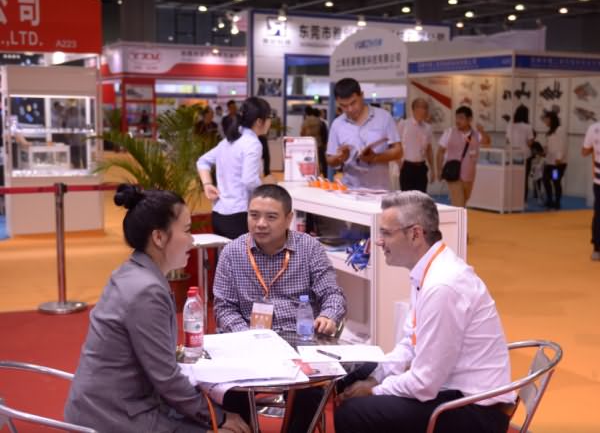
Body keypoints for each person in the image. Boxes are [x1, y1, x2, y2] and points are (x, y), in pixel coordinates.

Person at [64, 184, 250, 433]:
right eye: (187, 230)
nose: (192, 239)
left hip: (109, 404)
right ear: (159, 238)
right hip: (115, 417)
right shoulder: (147, 291)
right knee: (234, 426)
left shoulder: (131, 271)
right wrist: (218, 418)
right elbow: (166, 379)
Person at [334, 190, 514, 433]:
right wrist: (375, 376)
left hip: (475, 410)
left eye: (386, 233)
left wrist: (375, 390)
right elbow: (411, 342)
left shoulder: (442, 285)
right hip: (457, 394)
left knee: (353, 413)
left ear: (415, 234)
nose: (378, 241)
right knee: (357, 375)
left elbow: (423, 384)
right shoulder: (430, 271)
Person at [213, 184, 346, 433]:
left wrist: (328, 315)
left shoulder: (309, 249)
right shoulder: (232, 253)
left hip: (300, 343)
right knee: (230, 387)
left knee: (309, 392)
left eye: (271, 217)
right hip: (248, 345)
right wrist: (248, 336)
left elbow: (332, 294)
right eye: (254, 215)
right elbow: (224, 307)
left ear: (289, 218)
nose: (260, 224)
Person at [197, 97, 270, 240]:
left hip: (219, 213)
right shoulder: (252, 143)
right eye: (269, 117)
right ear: (259, 121)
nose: (270, 122)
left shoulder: (229, 140)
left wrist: (207, 184)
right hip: (239, 216)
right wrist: (267, 187)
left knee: (225, 255)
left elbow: (202, 161)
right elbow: (249, 180)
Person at [326, 78, 401, 190]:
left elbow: (398, 151)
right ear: (337, 102)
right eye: (344, 106)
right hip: (350, 190)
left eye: (353, 103)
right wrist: (340, 157)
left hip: (379, 190)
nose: (350, 109)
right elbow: (330, 160)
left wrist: (375, 157)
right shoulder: (337, 124)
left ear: (362, 95)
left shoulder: (384, 117)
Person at [436, 106, 491, 207]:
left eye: (461, 118)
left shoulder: (476, 134)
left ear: (469, 119)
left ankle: (457, 216)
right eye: (457, 117)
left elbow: (487, 142)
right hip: (453, 173)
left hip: (469, 174)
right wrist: (439, 170)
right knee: (459, 203)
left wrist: (482, 131)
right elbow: (440, 152)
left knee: (464, 200)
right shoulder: (449, 132)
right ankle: (458, 217)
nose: (458, 121)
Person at [397, 98, 434, 193]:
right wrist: (399, 163)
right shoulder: (404, 124)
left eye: (426, 108)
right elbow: (396, 145)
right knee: (407, 197)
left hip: (421, 167)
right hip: (407, 166)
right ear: (414, 109)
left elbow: (429, 149)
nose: (425, 111)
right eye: (422, 107)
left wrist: (433, 169)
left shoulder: (428, 128)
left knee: (421, 197)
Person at [506, 105, 534, 200]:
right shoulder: (528, 127)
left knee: (513, 177)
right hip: (525, 155)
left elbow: (507, 140)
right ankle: (523, 199)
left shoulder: (510, 125)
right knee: (524, 178)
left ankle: (512, 197)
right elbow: (529, 143)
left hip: (512, 155)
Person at [582, 121, 600, 261]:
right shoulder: (594, 128)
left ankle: (597, 249)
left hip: (598, 180)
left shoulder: (593, 128)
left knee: (599, 213)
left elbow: (584, 151)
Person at [542, 111, 567, 210]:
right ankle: (549, 200)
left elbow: (562, 145)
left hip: (557, 163)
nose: (545, 121)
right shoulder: (549, 132)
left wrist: (559, 158)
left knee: (555, 181)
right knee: (545, 180)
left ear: (551, 119)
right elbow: (548, 145)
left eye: (546, 119)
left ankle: (557, 202)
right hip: (549, 162)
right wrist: (544, 150)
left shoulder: (560, 130)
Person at [301, 106, 327, 175]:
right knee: (321, 160)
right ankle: (324, 174)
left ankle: (311, 174)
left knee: (310, 160)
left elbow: (302, 133)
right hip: (318, 143)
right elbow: (323, 133)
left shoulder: (305, 122)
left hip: (308, 144)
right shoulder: (319, 121)